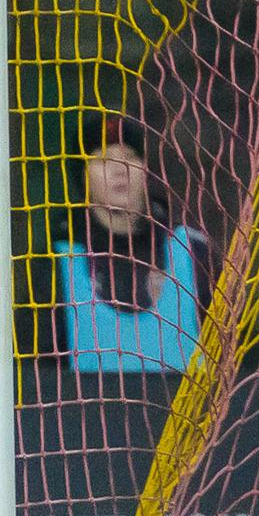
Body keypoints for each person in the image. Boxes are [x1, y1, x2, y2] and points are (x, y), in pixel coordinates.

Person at [53, 114, 208, 373]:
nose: (119, 170)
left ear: (145, 169)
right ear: (83, 174)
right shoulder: (57, 260)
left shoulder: (191, 252)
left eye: (129, 157)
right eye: (103, 160)